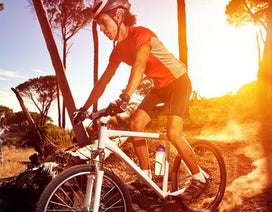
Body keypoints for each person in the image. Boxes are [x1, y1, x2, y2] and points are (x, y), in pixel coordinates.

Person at [73, 0, 208, 199]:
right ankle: (146, 177)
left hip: (179, 82)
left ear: (118, 16)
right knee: (136, 123)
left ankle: (200, 178)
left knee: (173, 132)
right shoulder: (118, 50)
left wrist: (125, 97)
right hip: (160, 88)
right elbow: (103, 81)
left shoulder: (141, 34)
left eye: (103, 22)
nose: (101, 29)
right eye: (98, 25)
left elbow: (140, 64)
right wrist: (83, 109)